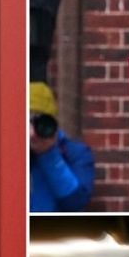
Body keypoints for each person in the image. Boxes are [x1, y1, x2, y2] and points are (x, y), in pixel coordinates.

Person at [29, 81, 95, 212]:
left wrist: (48, 154)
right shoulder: (9, 151)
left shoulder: (76, 153)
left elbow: (76, 203)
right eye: (28, 121)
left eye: (40, 123)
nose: (34, 132)